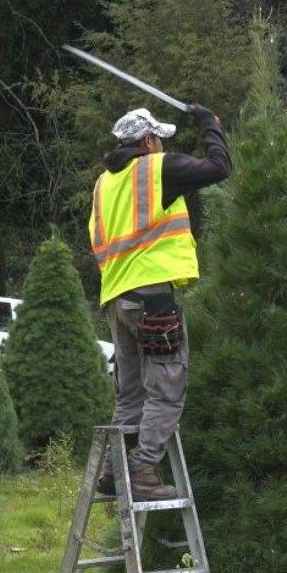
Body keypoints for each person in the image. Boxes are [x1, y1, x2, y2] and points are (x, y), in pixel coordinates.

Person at [90, 105, 231, 500]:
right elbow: (219, 167)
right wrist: (209, 124)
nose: (161, 145)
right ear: (149, 141)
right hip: (152, 298)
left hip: (117, 299)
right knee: (167, 386)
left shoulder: (103, 185)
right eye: (159, 140)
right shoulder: (156, 168)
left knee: (131, 393)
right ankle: (142, 470)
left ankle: (111, 473)